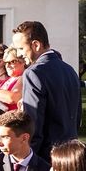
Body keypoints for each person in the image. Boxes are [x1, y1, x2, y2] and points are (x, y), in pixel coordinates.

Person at [12, 20, 81, 162]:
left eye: (20, 49)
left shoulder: (34, 72)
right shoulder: (70, 70)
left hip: (46, 158)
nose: (18, 54)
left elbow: (33, 124)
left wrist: (28, 160)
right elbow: (77, 116)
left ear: (36, 45)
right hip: (72, 156)